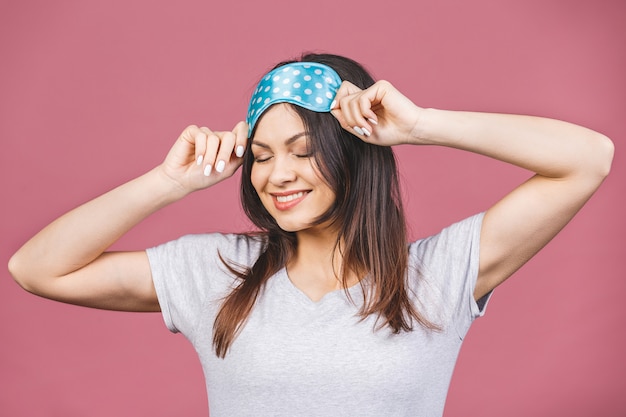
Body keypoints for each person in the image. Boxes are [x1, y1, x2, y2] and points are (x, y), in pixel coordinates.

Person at [8, 53, 613, 416]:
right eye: (263, 155)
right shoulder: (218, 269)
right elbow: (37, 268)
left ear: (356, 154)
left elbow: (588, 158)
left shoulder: (437, 273)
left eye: (302, 152)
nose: (279, 175)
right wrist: (169, 183)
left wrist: (422, 125)